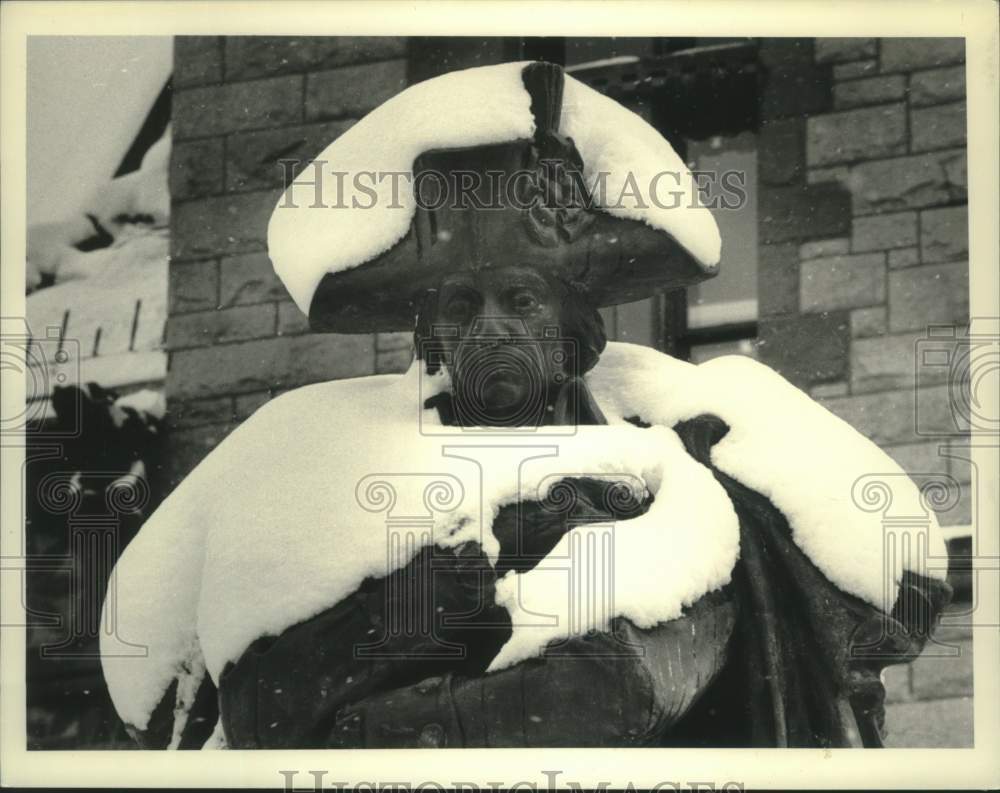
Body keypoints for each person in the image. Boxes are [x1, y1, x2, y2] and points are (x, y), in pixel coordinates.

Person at [102, 62, 950, 750]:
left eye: (521, 299)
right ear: (430, 338)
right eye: (462, 310)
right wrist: (452, 584)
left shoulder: (671, 435)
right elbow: (254, 705)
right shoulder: (326, 450)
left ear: (576, 327)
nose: (493, 330)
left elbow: (896, 585)